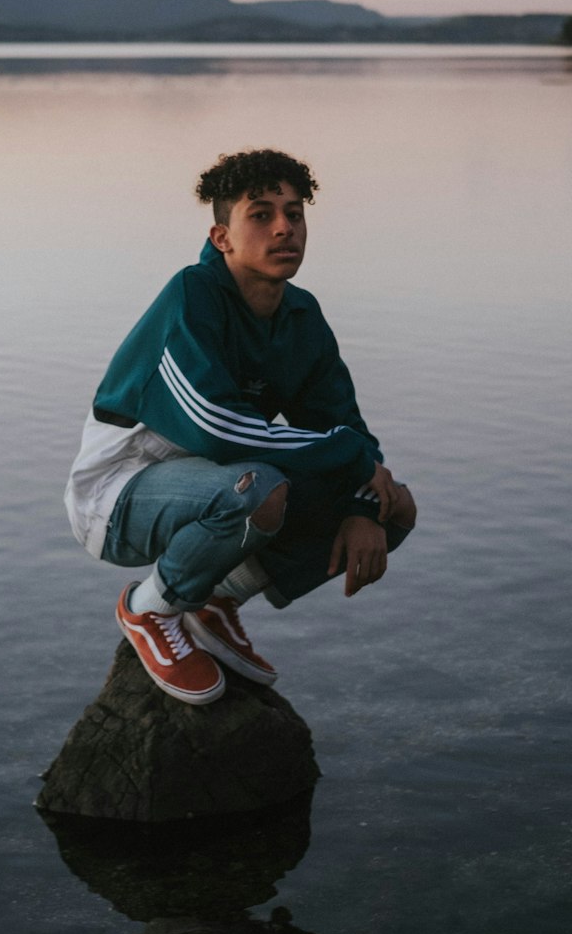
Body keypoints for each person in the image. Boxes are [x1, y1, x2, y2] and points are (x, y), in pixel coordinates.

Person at [65, 148, 416, 705]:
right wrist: (353, 459)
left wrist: (362, 506)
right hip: (119, 497)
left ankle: (214, 600)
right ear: (222, 236)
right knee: (259, 486)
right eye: (261, 214)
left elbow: (345, 427)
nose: (284, 228)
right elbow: (216, 430)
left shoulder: (299, 316)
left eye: (295, 213)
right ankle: (151, 607)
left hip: (221, 481)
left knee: (393, 506)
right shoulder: (192, 297)